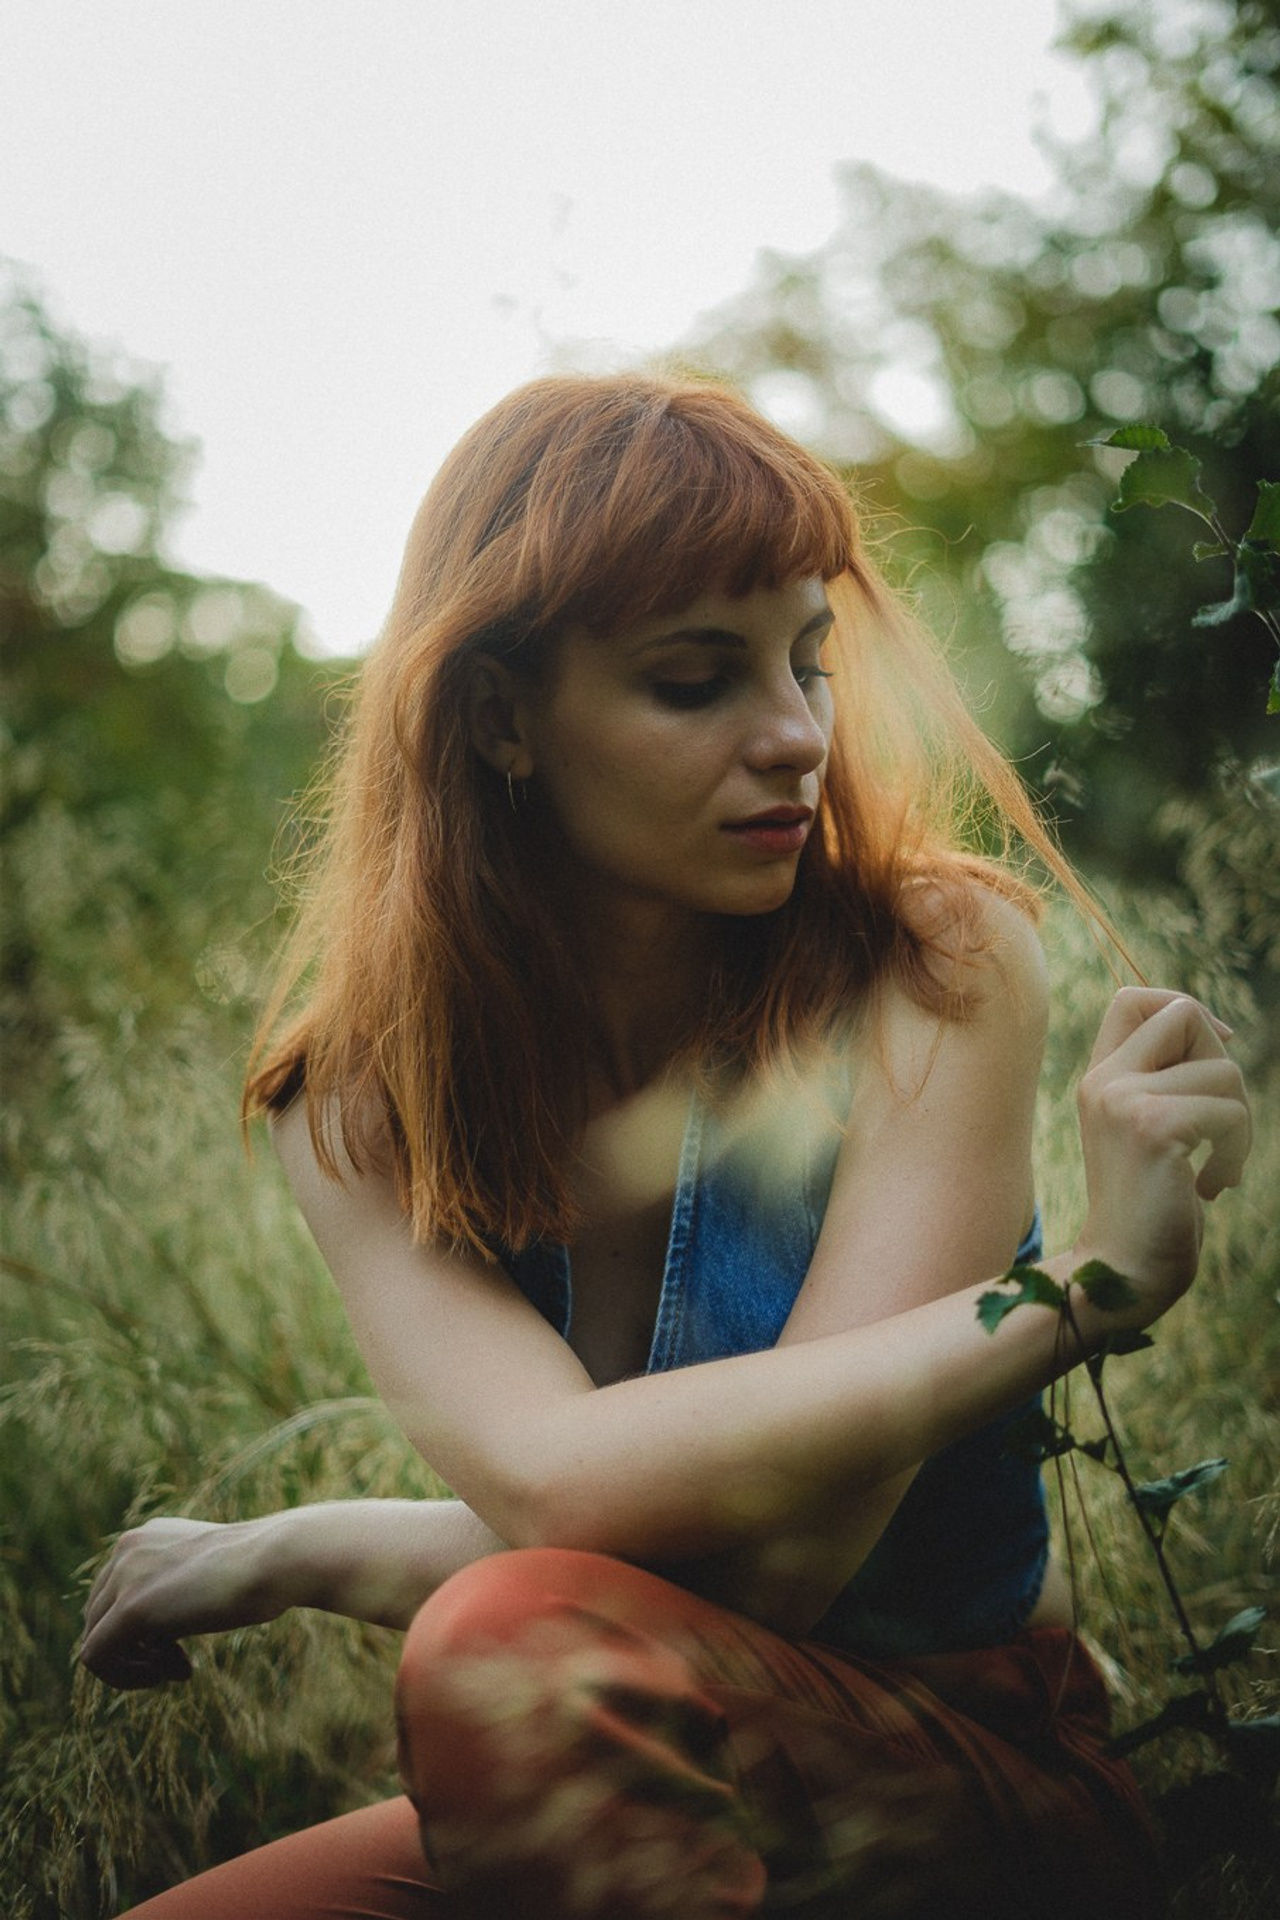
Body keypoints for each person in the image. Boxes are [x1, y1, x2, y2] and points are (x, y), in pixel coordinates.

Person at [80, 374, 1250, 1918]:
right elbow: (565, 1498)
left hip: (965, 1771)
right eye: (697, 682)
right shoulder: (359, 1100)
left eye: (811, 664)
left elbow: (776, 1576)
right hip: (610, 1755)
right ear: (500, 716)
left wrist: (1087, 1293)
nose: (795, 738)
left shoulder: (931, 964)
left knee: (507, 1645)